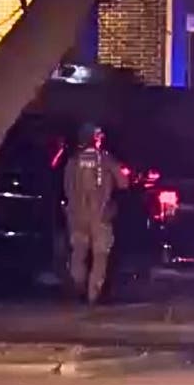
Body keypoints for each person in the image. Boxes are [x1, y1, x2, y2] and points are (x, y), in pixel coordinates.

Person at [63, 123, 127, 304]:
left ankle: (78, 284)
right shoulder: (106, 159)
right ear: (94, 138)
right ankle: (93, 294)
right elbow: (123, 183)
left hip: (77, 216)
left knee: (78, 252)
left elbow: (67, 187)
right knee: (100, 255)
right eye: (99, 136)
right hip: (101, 217)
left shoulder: (73, 161)